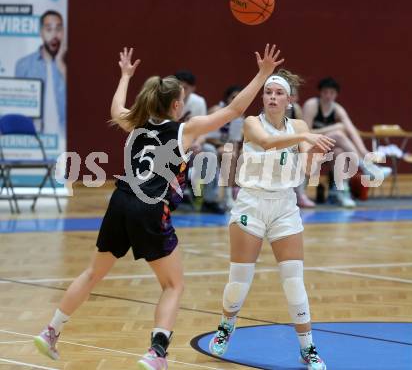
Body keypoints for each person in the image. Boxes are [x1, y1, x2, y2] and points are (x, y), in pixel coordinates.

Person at [33, 44, 284, 370]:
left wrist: (124, 76)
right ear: (178, 105)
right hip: (150, 207)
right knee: (173, 285)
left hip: (119, 202)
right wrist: (263, 73)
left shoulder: (135, 123)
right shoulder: (185, 130)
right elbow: (235, 110)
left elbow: (115, 110)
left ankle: (51, 330)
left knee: (93, 272)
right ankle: (156, 353)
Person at [209, 71, 335, 370]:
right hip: (251, 204)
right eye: (269, 93)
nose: (273, 97)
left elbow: (306, 169)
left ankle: (308, 348)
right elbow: (266, 143)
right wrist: (305, 137)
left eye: (279, 93)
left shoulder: (299, 126)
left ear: (290, 100)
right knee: (239, 280)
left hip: (284, 206)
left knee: (293, 282)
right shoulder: (252, 123)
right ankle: (226, 327)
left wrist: (315, 154)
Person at [302, 77, 391, 207]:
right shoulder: (311, 105)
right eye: (325, 92)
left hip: (326, 150)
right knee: (338, 133)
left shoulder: (337, 109)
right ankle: (368, 167)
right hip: (309, 149)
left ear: (336, 95)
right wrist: (334, 127)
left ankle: (342, 193)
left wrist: (364, 150)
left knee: (340, 152)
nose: (328, 96)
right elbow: (306, 133)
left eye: (331, 93)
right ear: (320, 92)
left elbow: (352, 131)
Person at [174, 70, 225, 213]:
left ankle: (209, 200)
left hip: (191, 144)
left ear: (193, 88)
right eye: (179, 86)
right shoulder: (167, 100)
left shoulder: (198, 102)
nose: (182, 90)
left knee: (210, 151)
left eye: (186, 87)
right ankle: (178, 194)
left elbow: (203, 131)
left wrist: (198, 143)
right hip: (171, 143)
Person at [15, 10, 66, 139]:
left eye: (58, 29)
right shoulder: (24, 65)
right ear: (41, 32)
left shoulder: (70, 64)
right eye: (49, 29)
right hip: (35, 139)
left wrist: (61, 65)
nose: (54, 35)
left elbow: (82, 103)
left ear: (64, 32)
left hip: (65, 139)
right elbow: (17, 107)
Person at [279, 69, 316, 208]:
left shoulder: (296, 109)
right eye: (289, 95)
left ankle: (300, 194)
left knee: (306, 154)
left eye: (294, 95)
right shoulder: (271, 109)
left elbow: (303, 131)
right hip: (274, 145)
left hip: (292, 144)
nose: (291, 98)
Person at [206, 85, 244, 209]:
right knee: (228, 154)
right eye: (233, 97)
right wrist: (223, 146)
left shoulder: (239, 117)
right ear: (227, 99)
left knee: (235, 156)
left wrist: (236, 153)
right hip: (207, 144)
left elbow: (235, 141)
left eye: (240, 97)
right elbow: (206, 135)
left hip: (224, 146)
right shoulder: (216, 110)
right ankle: (226, 197)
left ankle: (231, 195)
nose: (236, 99)